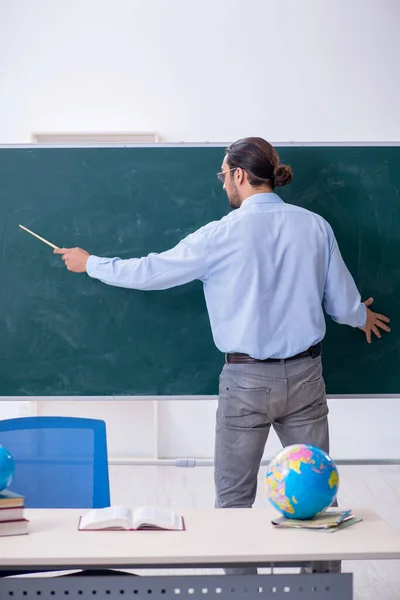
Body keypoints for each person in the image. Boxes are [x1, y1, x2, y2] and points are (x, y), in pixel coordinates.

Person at [54, 137, 390, 575]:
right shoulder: (314, 226)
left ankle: (240, 593)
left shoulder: (218, 235)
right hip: (306, 376)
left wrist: (91, 262)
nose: (221, 183)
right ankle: (323, 589)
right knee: (317, 495)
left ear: (239, 175)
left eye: (222, 174)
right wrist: (360, 317)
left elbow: (151, 270)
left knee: (233, 501)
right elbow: (342, 303)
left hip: (246, 383)